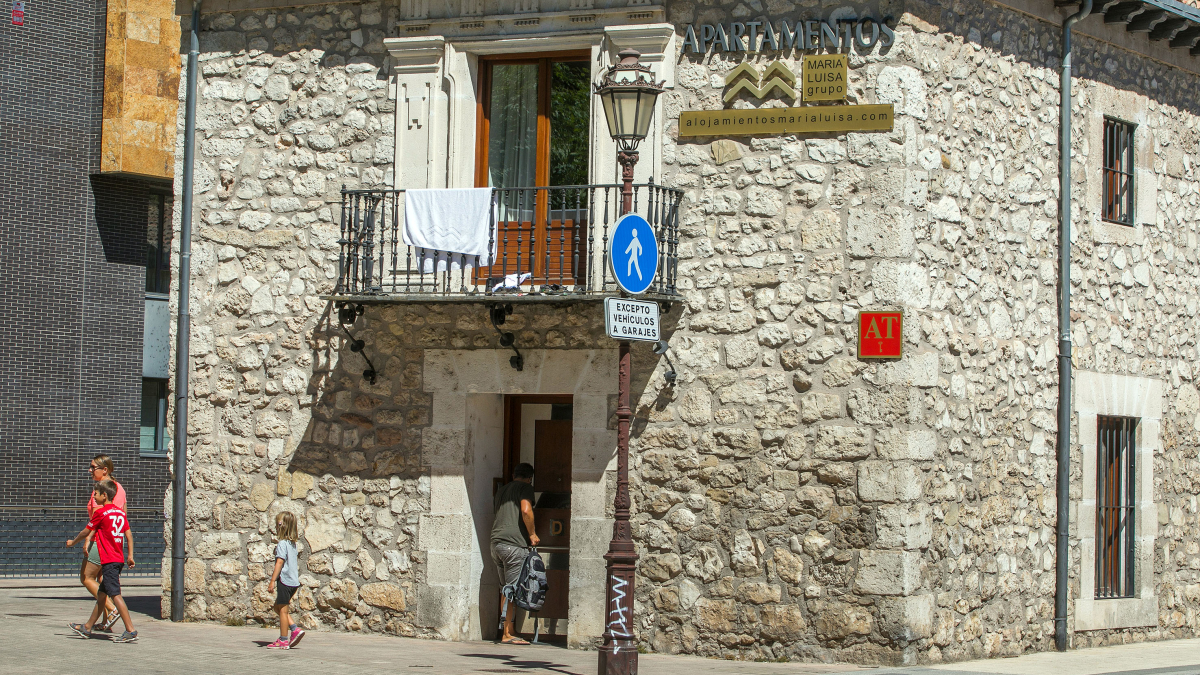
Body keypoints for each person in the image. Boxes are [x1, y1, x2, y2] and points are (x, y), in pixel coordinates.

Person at [66, 479, 137, 642]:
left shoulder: (101, 513)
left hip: (109, 561)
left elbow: (86, 531)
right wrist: (130, 556)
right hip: (118, 559)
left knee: (116, 595)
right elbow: (128, 535)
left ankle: (130, 630)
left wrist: (73, 542)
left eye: (96, 494)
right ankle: (87, 627)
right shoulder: (120, 513)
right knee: (101, 595)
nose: (94, 497)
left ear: (104, 495)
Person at [490, 462, 540, 645]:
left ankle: (509, 629)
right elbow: (526, 510)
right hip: (513, 545)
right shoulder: (525, 488)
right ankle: (506, 633)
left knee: (505, 588)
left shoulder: (502, 490)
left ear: (513, 475)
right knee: (511, 589)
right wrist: (532, 534)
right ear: (529, 478)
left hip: (496, 543)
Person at [76, 454, 127, 632]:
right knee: (102, 581)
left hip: (100, 540)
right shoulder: (119, 487)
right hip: (114, 540)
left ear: (105, 470)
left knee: (86, 577)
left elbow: (99, 517)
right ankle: (106, 623)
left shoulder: (103, 489)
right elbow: (123, 515)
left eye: (93, 467)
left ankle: (113, 610)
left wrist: (86, 539)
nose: (90, 470)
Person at [267, 511, 305, 649]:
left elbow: (279, 562)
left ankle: (283, 640)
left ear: (280, 526)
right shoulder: (292, 544)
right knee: (277, 607)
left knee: (283, 611)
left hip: (284, 581)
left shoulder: (282, 544)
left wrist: (272, 580)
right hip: (293, 582)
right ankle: (294, 628)